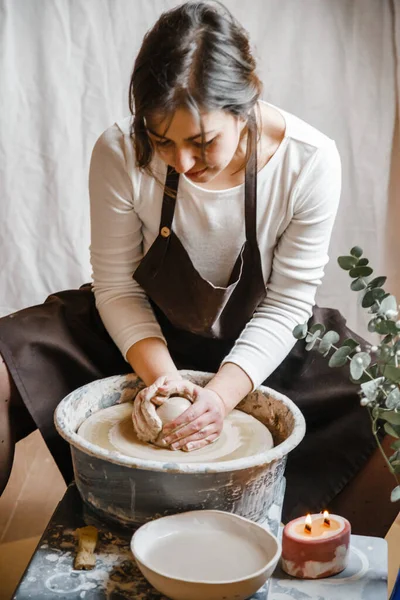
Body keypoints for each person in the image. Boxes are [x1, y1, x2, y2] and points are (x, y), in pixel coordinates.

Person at [0, 1, 396, 536]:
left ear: (246, 100)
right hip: (139, 332)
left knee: (392, 402)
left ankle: (306, 558)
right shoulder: (120, 149)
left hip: (262, 342)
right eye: (162, 141)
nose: (182, 162)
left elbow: (286, 302)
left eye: (201, 141)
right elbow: (116, 286)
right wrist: (167, 384)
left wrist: (221, 396)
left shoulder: (310, 161)